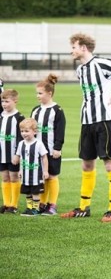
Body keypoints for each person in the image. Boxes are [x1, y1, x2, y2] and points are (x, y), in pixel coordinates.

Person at [61, 33, 111, 222]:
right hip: (87, 122)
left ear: (83, 48)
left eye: (74, 47)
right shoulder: (80, 70)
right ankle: (83, 207)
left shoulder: (103, 64)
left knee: (109, 162)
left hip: (105, 121)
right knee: (87, 163)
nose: (72, 50)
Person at [31, 73, 66, 216]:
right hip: (38, 151)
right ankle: (42, 204)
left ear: (49, 93)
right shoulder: (35, 110)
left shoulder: (57, 110)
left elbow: (60, 131)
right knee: (41, 177)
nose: (38, 96)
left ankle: (52, 205)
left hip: (51, 150)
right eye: (37, 93)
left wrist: (57, 148)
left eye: (40, 93)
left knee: (52, 176)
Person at [13, 118, 49, 216]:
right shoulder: (21, 144)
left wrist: (45, 171)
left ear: (34, 131)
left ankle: (35, 209)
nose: (24, 133)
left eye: (27, 131)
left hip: (36, 174)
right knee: (27, 192)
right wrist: (20, 170)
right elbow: (21, 158)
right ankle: (29, 208)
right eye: (22, 131)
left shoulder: (38, 143)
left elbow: (44, 157)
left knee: (35, 192)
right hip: (25, 174)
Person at [0, 89, 25, 214]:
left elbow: (22, 138)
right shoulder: (1, 116)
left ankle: (13, 205)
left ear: (15, 101)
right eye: (2, 101)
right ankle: (6, 203)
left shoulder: (19, 117)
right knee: (5, 178)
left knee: (14, 178)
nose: (4, 104)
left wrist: (18, 154)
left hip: (13, 155)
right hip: (2, 154)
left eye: (7, 101)